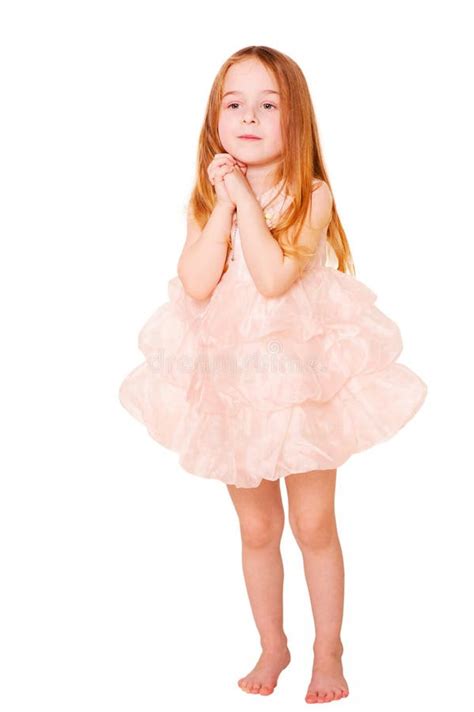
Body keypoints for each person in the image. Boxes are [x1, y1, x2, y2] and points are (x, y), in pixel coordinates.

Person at [119, 46, 428, 704]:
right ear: (215, 119)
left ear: (297, 122)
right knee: (257, 527)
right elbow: (197, 284)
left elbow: (272, 276)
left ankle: (328, 648)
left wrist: (243, 201)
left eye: (269, 105)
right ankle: (271, 642)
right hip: (235, 380)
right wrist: (226, 201)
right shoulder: (211, 199)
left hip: (299, 378)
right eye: (235, 104)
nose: (250, 115)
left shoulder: (311, 195)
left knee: (313, 523)